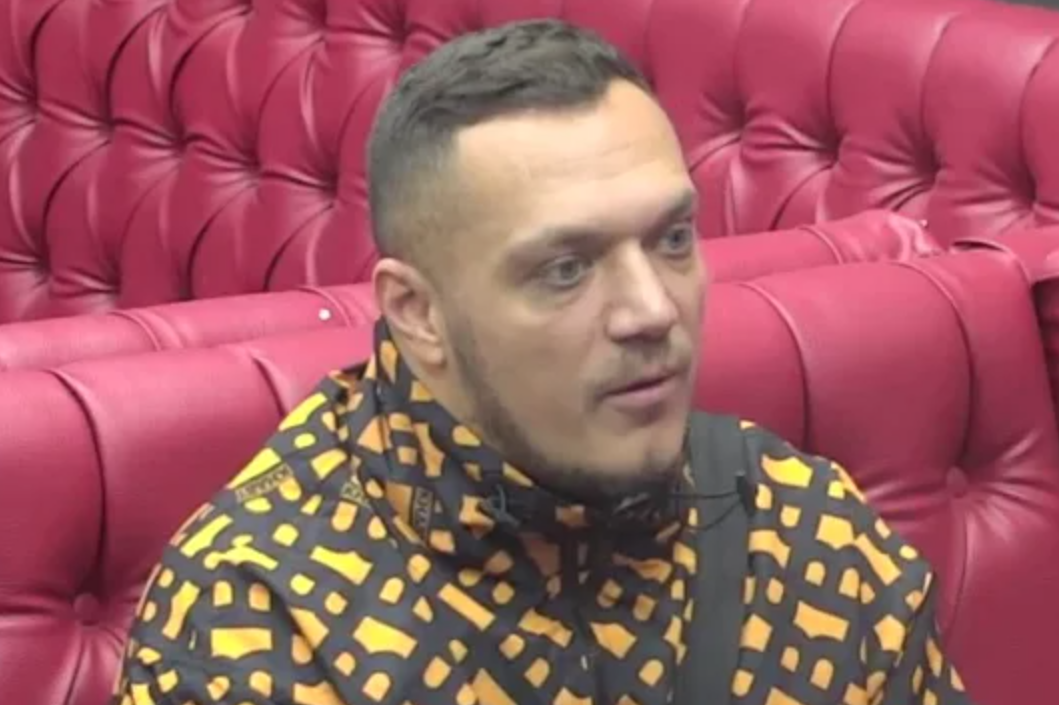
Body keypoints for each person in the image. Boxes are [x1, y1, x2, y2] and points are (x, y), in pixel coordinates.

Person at [113, 19, 973, 705]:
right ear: (417, 313)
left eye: (673, 239)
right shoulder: (259, 621)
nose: (651, 309)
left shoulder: (804, 530)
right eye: (565, 269)